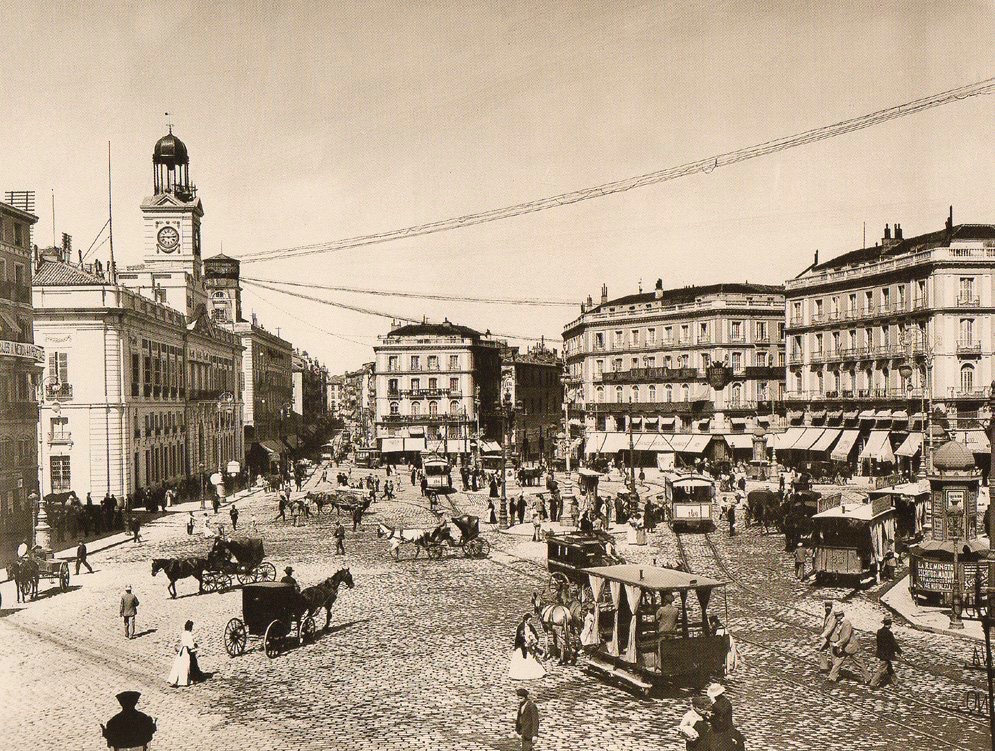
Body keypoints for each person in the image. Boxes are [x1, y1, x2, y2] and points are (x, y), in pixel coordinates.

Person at [823, 604, 869, 684]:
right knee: (838, 662)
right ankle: (832, 678)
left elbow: (846, 637)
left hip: (851, 647)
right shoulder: (840, 623)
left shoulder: (847, 623)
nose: (836, 618)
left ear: (841, 616)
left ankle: (868, 679)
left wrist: (837, 644)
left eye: (837, 616)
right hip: (845, 647)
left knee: (859, 663)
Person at [167, 620, 204, 687]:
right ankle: (186, 680)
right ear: (190, 627)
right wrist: (195, 646)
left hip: (183, 650)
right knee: (187, 666)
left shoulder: (183, 633)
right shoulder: (189, 634)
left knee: (179, 665)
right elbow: (190, 644)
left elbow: (184, 642)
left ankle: (176, 680)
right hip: (187, 651)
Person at [509, 613, 546, 680]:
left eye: (531, 620)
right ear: (525, 620)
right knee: (523, 659)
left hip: (529, 646)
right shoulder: (521, 627)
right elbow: (520, 637)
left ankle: (535, 672)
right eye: (529, 620)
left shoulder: (530, 626)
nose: (530, 621)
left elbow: (535, 634)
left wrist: (534, 641)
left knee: (532, 658)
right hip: (522, 647)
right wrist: (525, 643)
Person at [868, 616, 902, 688]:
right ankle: (873, 683)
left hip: (881, 652)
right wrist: (899, 651)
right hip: (887, 654)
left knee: (889, 667)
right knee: (881, 669)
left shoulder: (879, 631)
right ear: (890, 624)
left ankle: (895, 681)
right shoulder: (889, 633)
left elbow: (878, 643)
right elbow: (894, 644)